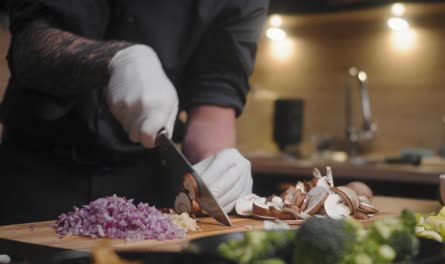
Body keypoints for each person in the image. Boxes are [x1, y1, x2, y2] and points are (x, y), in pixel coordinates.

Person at [0, 0, 269, 225]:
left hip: (148, 183)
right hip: (34, 171)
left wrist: (218, 167)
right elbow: (28, 43)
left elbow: (214, 103)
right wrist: (114, 58)